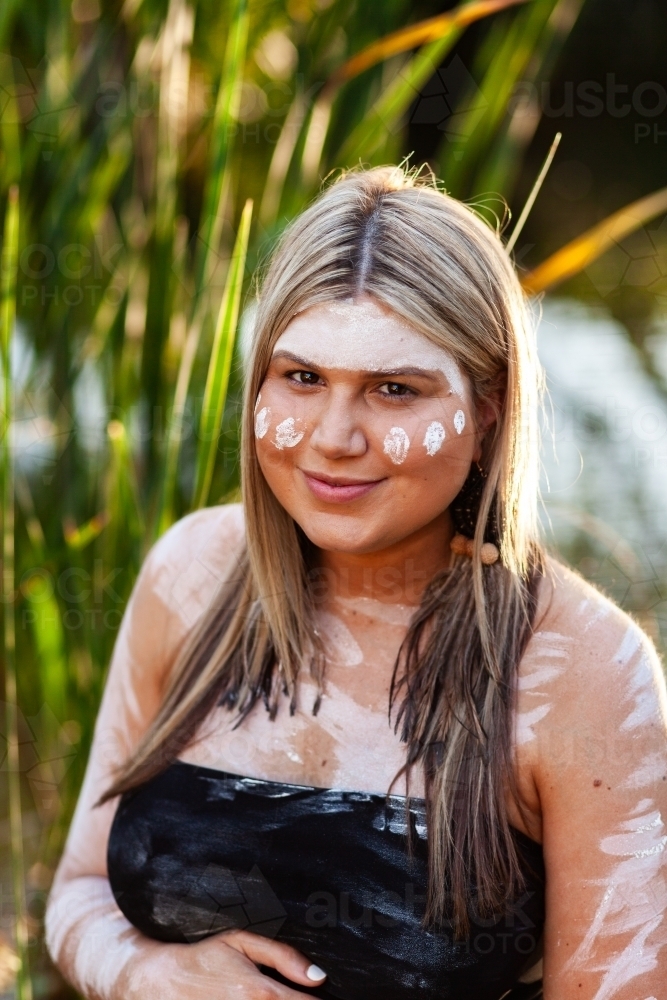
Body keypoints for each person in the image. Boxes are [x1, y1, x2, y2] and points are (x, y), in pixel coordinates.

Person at [45, 166, 667, 1000]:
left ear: (487, 409)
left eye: (393, 390)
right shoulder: (191, 575)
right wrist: (146, 974)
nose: (333, 438)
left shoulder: (585, 672)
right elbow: (79, 890)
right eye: (302, 378)